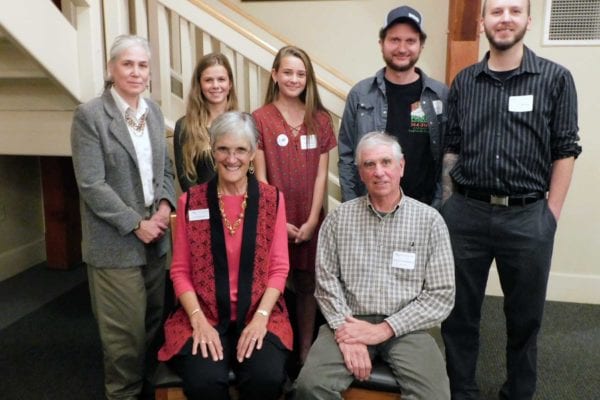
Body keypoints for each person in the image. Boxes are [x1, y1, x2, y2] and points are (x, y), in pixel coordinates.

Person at [440, 1, 582, 399]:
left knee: (524, 319)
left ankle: (518, 392)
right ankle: (461, 390)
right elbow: (452, 148)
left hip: (527, 217)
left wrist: (549, 217)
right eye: (496, 10)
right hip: (465, 214)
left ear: (528, 20)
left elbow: (566, 150)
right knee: (459, 315)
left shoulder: (556, 79)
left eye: (514, 11)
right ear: (483, 21)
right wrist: (451, 206)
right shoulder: (465, 81)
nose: (505, 18)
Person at [295, 132, 455, 400]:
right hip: (349, 320)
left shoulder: (430, 221)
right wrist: (347, 333)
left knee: (435, 396)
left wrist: (383, 329)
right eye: (369, 164)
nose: (379, 172)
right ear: (360, 172)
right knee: (310, 386)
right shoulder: (338, 220)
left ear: (401, 167)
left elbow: (441, 295)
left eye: (386, 162)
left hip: (407, 327)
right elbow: (326, 282)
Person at [158, 111, 293, 400]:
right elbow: (180, 271)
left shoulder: (272, 200)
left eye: (241, 150)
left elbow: (279, 269)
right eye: (223, 149)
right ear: (213, 149)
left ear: (253, 152)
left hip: (260, 313)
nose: (232, 158)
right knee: (205, 382)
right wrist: (197, 320)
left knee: (265, 378)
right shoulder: (190, 201)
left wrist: (260, 318)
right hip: (202, 313)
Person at [70, 34, 176, 399]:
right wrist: (136, 223)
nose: (135, 72)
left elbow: (164, 169)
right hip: (116, 244)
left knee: (151, 323)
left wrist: (164, 206)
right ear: (111, 68)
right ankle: (123, 393)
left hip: (156, 239)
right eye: (127, 64)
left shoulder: (154, 111)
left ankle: (144, 387)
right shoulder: (90, 116)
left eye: (142, 65)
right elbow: (91, 184)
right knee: (123, 336)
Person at [252, 46, 337, 365]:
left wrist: (314, 218)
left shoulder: (320, 119)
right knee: (272, 283)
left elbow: (320, 176)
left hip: (309, 218)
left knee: (307, 285)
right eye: (287, 72)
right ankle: (277, 353)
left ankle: (305, 353)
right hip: (274, 217)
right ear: (274, 75)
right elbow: (259, 179)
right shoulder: (259, 119)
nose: (294, 79)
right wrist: (275, 219)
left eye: (301, 74)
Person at [338, 5, 448, 208]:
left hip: (424, 210)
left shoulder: (440, 95)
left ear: (421, 45)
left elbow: (446, 158)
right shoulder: (360, 94)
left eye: (410, 41)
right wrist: (351, 207)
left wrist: (439, 207)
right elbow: (346, 156)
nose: (402, 48)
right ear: (382, 43)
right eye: (394, 40)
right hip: (369, 209)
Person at [174, 53, 238, 191]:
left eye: (221, 79)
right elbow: (187, 179)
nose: (215, 85)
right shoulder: (185, 126)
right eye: (208, 80)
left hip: (241, 206)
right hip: (203, 208)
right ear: (199, 84)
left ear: (230, 83)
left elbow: (251, 173)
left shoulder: (244, 123)